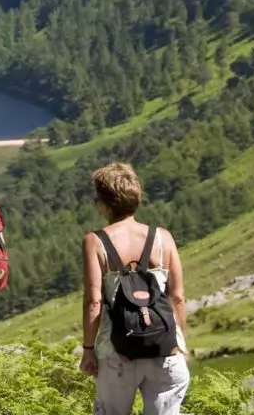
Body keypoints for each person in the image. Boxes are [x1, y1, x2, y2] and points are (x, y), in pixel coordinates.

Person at [80, 162, 190, 415]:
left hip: (117, 351)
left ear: (105, 203)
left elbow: (93, 301)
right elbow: (178, 297)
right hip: (165, 350)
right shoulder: (163, 238)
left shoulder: (95, 242)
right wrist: (179, 342)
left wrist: (88, 350)